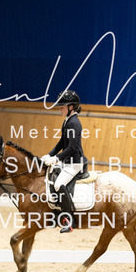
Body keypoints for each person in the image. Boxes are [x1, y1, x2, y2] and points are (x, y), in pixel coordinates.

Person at [41, 90, 87, 233]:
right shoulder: (67, 121)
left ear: (71, 107)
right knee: (51, 177)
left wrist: (56, 158)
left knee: (59, 184)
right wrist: (49, 155)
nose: (60, 109)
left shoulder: (74, 123)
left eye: (63, 107)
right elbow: (61, 142)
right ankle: (57, 212)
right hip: (67, 161)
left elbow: (72, 147)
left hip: (75, 163)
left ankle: (70, 220)